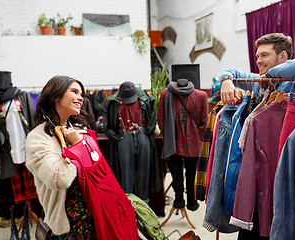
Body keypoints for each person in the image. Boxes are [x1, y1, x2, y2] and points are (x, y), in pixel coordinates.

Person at [25, 76, 138, 239]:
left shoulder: (80, 130)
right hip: (70, 224)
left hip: (98, 214)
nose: (80, 97)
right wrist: (79, 147)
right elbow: (59, 179)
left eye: (81, 93)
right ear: (56, 96)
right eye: (74, 92)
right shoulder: (38, 138)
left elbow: (102, 171)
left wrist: (118, 198)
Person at [100, 81, 161, 202]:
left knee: (145, 169)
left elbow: (153, 116)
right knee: (125, 171)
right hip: (123, 136)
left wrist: (148, 131)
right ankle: (128, 202)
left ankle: (144, 201)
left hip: (142, 134)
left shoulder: (146, 98)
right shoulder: (112, 102)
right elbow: (106, 124)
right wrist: (113, 135)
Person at [219, 33, 295, 105]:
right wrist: (226, 80)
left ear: (282, 56)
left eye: (264, 55)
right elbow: (232, 71)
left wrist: (268, 76)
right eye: (258, 56)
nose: (258, 61)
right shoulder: (259, 82)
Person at [157, 78, 208, 211]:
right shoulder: (166, 94)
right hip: (173, 140)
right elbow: (160, 117)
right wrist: (166, 133)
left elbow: (204, 120)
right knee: (176, 175)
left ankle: (192, 201)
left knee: (192, 175)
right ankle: (179, 200)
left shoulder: (201, 95)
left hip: (193, 142)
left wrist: (199, 136)